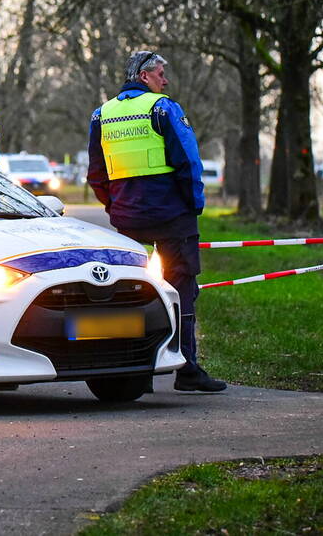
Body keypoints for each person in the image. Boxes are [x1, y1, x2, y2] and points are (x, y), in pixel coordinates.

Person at [87, 50, 226, 393]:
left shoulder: (101, 114)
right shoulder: (163, 108)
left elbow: (96, 173)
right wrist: (194, 204)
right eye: (161, 74)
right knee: (182, 289)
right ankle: (186, 369)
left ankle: (134, 371)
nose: (166, 81)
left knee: (130, 292)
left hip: (128, 218)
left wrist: (115, 206)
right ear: (146, 76)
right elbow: (188, 163)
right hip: (171, 215)